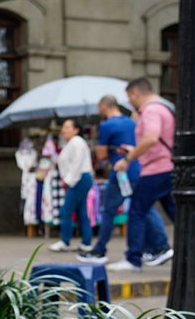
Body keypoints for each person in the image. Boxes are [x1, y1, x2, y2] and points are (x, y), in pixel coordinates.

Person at [79, 95, 167, 264]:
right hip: (139, 168)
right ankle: (158, 246)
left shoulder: (106, 125)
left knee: (110, 211)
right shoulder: (131, 122)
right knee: (144, 209)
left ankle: (100, 250)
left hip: (121, 171)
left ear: (104, 106)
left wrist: (108, 152)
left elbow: (101, 155)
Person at [109, 78, 176, 272]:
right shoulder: (162, 108)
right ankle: (192, 250)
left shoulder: (151, 110)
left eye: (129, 97)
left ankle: (133, 258)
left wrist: (128, 158)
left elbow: (151, 138)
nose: (129, 102)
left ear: (135, 94)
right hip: (165, 167)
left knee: (137, 211)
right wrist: (134, 149)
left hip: (156, 169)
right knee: (176, 213)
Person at [48, 119, 95, 252]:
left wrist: (68, 180)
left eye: (67, 127)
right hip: (78, 178)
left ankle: (65, 241)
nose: (64, 130)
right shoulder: (71, 143)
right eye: (63, 127)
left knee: (66, 210)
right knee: (81, 211)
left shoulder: (77, 142)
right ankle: (86, 242)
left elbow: (77, 163)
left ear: (76, 130)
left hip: (79, 178)